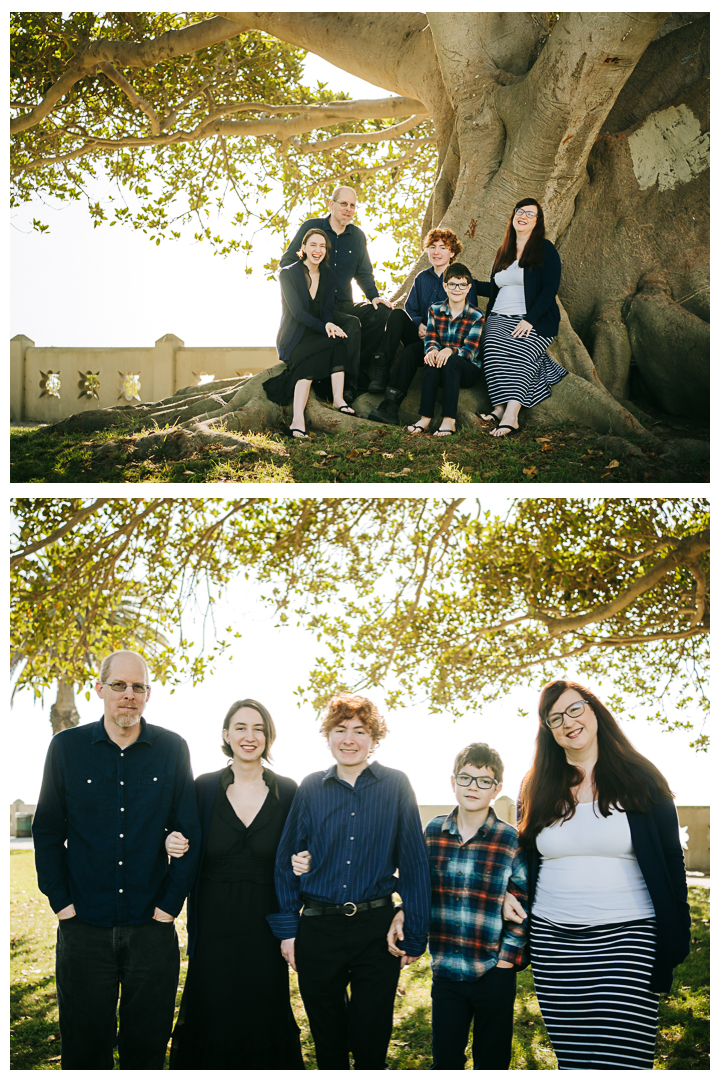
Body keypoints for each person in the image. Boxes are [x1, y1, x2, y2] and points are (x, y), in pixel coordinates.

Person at [507, 679, 691, 1070]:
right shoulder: (535, 785)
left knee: (624, 1059)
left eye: (575, 709)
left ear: (594, 711)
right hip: (554, 943)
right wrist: (508, 893)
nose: (567, 722)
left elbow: (672, 860)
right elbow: (522, 858)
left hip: (629, 938)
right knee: (573, 1060)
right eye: (554, 718)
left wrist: (678, 930)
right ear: (548, 731)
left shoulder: (641, 776)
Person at [32, 650, 201, 1070]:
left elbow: (189, 832)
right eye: (120, 685)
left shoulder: (172, 749)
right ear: (100, 689)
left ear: (148, 694)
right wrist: (62, 904)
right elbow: (48, 830)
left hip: (152, 927)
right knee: (84, 1047)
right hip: (83, 926)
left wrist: (168, 907)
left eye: (138, 686)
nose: (129, 695)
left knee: (146, 1046)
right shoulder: (66, 748)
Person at [268, 692, 431, 1070]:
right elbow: (284, 862)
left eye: (360, 731)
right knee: (328, 1042)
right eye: (340, 730)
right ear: (328, 736)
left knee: (371, 1038)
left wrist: (416, 931)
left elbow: (414, 864)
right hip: (318, 928)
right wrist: (289, 930)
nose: (349, 739)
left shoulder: (395, 785)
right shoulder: (311, 788)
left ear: (374, 739)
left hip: (376, 931)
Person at [166, 699, 307, 1069]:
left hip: (266, 926)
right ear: (226, 735)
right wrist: (170, 841)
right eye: (241, 727)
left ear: (268, 736)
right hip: (212, 924)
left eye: (258, 728)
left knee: (263, 1011)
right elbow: (178, 832)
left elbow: (304, 850)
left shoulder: (289, 791)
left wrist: (305, 860)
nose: (250, 736)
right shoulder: (203, 788)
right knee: (211, 1012)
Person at [386, 743, 527, 1070]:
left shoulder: (510, 840)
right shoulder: (433, 832)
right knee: (446, 1058)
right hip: (447, 969)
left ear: (497, 789)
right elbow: (417, 886)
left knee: (492, 1060)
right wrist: (404, 909)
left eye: (483, 781)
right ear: (453, 782)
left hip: (493, 969)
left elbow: (524, 903)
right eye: (466, 778)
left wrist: (506, 961)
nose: (473, 787)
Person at [279, 186, 392, 399]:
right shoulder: (312, 228)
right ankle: (349, 385)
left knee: (382, 313)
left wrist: (374, 296)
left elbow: (364, 274)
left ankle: (359, 367)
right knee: (350, 323)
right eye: (343, 204)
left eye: (352, 205)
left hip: (345, 302)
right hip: (319, 307)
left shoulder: (357, 236)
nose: (348, 209)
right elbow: (287, 262)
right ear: (331, 205)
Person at [474, 198, 568, 436]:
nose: (523, 216)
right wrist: (464, 284)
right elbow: (495, 287)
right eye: (519, 211)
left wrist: (530, 320)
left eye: (530, 214)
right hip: (498, 316)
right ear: (513, 216)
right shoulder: (503, 252)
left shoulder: (545, 249)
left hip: (532, 318)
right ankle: (498, 407)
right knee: (492, 350)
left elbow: (549, 288)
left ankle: (511, 415)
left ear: (537, 222)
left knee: (523, 354)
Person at [368, 228, 479, 420]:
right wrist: (419, 323)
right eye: (433, 247)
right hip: (422, 335)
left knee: (412, 352)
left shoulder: (460, 280)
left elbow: (468, 316)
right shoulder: (421, 278)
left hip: (446, 343)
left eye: (443, 247)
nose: (436, 252)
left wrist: (434, 333)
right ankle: (381, 371)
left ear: (452, 252)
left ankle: (390, 406)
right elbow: (411, 308)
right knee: (396, 315)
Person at [264, 228, 354, 439]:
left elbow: (325, 310)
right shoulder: (288, 274)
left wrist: (329, 323)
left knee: (338, 342)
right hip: (293, 338)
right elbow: (297, 313)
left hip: (316, 334)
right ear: (302, 248)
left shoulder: (329, 275)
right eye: (313, 245)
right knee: (306, 362)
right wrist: (324, 327)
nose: (318, 250)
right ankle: (298, 420)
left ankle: (339, 399)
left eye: (322, 246)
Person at [406, 263, 484, 436]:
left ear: (469, 287)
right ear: (445, 286)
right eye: (452, 284)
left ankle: (449, 420)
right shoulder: (434, 310)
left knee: (452, 361)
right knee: (431, 359)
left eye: (462, 285)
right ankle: (425, 418)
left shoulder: (476, 315)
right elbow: (431, 338)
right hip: (442, 366)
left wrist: (449, 350)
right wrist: (432, 350)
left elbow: (470, 351)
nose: (457, 289)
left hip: (467, 369)